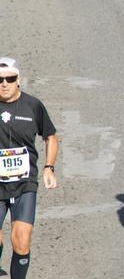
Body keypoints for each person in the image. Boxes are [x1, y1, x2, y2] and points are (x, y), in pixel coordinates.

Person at [0, 57, 58, 278]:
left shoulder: (32, 105)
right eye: (0, 80)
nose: (4, 84)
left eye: (10, 79)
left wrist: (48, 167)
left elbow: (51, 137)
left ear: (18, 80)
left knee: (22, 241)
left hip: (25, 183)